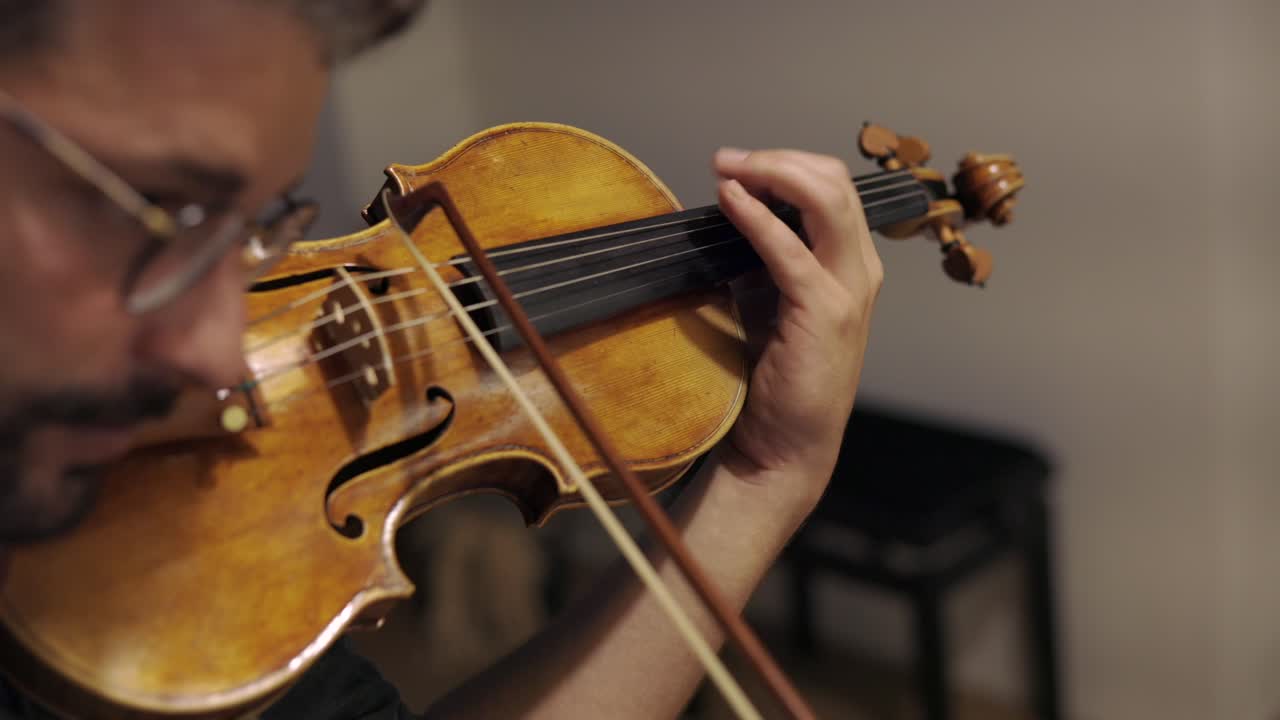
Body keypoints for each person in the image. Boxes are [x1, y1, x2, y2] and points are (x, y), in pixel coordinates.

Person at [0, 1, 883, 718]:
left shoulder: (184, 603)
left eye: (252, 235)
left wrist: (768, 476)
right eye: (153, 210)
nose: (216, 348)